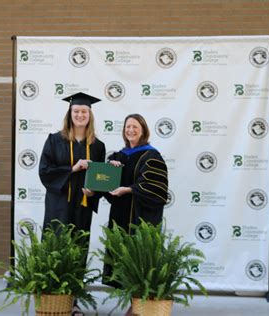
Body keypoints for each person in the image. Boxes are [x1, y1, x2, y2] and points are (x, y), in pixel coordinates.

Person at [38, 92, 105, 315]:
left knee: (78, 251)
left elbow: (100, 178)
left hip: (82, 206)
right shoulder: (54, 140)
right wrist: (72, 169)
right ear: (70, 113)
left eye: (84, 111)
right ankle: (50, 299)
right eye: (76, 111)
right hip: (59, 205)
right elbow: (45, 172)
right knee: (55, 247)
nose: (80, 115)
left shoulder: (97, 146)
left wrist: (94, 189)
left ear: (90, 115)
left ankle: (72, 302)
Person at [103, 114, 168, 315]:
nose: (130, 130)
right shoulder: (118, 156)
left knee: (141, 261)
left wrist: (129, 189)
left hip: (142, 217)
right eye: (127, 127)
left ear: (143, 130)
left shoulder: (152, 156)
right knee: (124, 261)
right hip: (121, 217)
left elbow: (156, 189)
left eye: (135, 127)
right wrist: (110, 169)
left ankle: (140, 305)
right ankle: (135, 303)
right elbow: (108, 187)